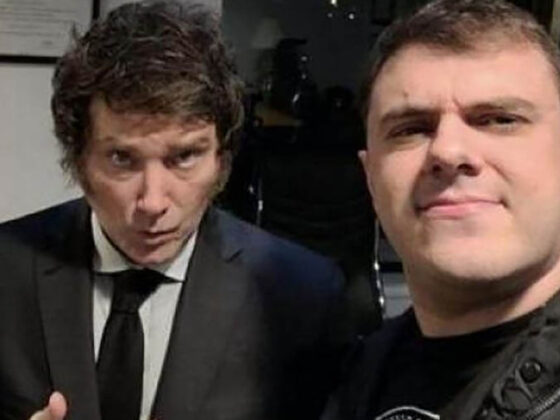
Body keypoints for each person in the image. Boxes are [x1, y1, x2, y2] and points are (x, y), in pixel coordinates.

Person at [0, 2, 351, 420]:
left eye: (184, 157)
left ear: (221, 159)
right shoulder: (7, 269)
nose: (153, 202)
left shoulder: (301, 296)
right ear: (78, 160)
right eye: (122, 159)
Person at [332, 0, 560, 419]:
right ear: (370, 179)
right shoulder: (355, 376)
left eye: (499, 119)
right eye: (410, 129)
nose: (448, 151)